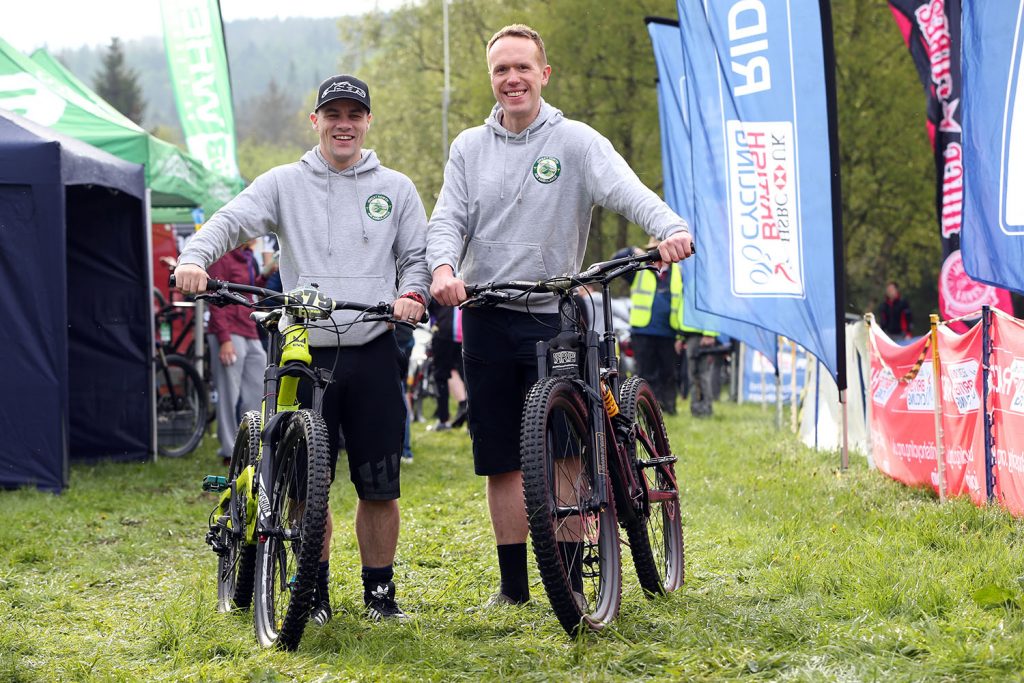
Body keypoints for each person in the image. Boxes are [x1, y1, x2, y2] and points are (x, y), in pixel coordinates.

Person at [426, 24, 694, 607]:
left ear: (544, 74)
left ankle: (572, 578)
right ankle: (514, 586)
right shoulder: (468, 148)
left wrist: (668, 227)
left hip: (555, 314)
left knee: (567, 452)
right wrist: (443, 267)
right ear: (491, 79)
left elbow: (627, 189)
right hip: (488, 315)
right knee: (500, 456)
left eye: (523, 68)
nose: (512, 79)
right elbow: (448, 217)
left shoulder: (576, 142)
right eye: (501, 70)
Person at [173, 74, 430, 624]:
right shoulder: (285, 183)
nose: (343, 123)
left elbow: (416, 257)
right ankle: (311, 591)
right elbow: (231, 220)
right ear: (315, 121)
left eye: (353, 114)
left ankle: (379, 593)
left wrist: (412, 291)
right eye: (332, 114)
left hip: (371, 346)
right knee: (302, 482)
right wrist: (195, 257)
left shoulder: (398, 188)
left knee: (380, 484)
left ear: (366, 122)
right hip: (303, 352)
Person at [206, 238, 269, 464]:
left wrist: (266, 274)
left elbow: (249, 291)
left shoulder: (248, 258)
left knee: (258, 387)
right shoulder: (222, 257)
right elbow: (215, 299)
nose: (256, 236)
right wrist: (224, 339)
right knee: (228, 393)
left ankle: (250, 444)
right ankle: (229, 451)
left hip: (248, 328)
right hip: (228, 332)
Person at [426, 300, 467, 431]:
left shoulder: (442, 279)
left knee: (441, 377)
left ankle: (443, 420)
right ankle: (471, 420)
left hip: (444, 332)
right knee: (469, 376)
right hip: (466, 332)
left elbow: (429, 301)